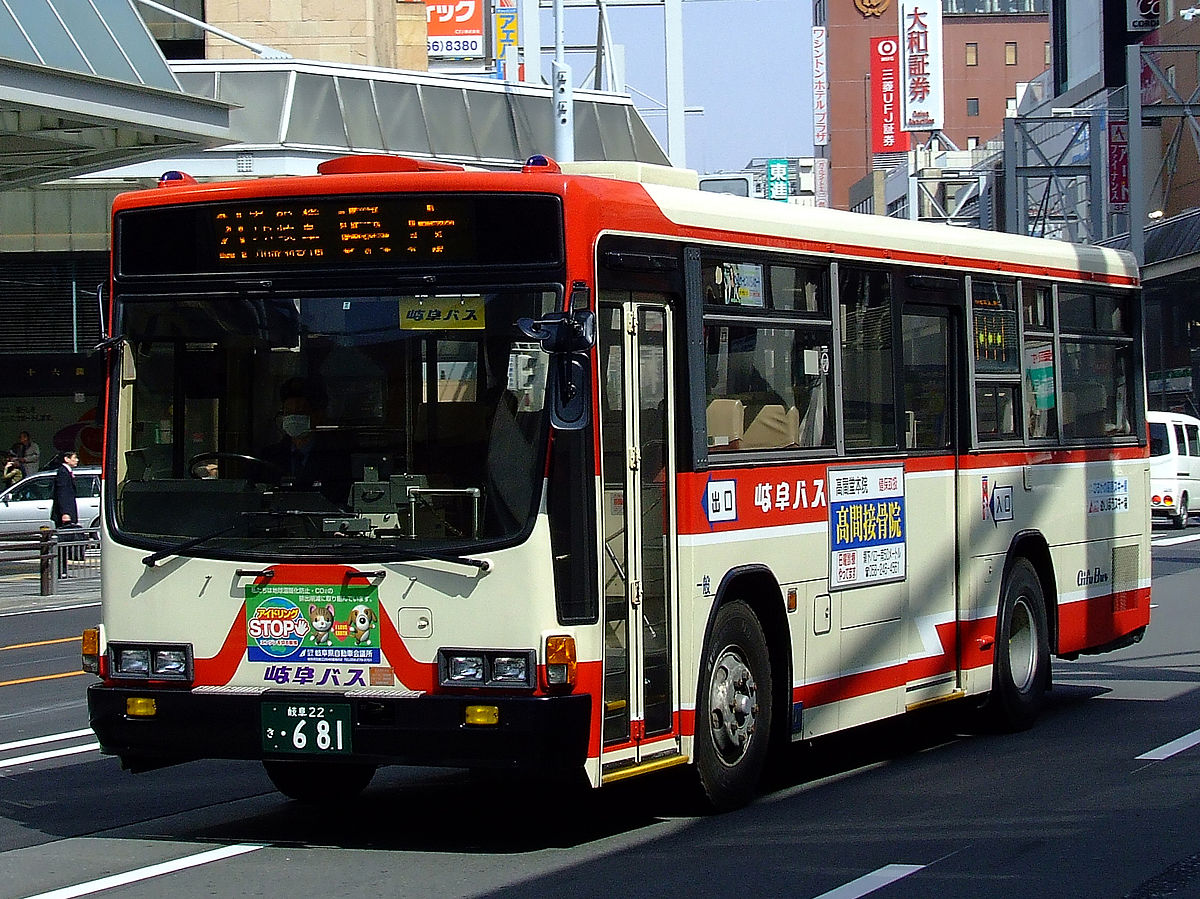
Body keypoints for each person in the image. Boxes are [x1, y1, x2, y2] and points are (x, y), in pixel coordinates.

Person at [260, 377, 349, 506]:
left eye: (300, 412)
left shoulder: (335, 457)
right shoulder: (269, 457)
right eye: (288, 413)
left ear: (318, 415)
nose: (293, 419)